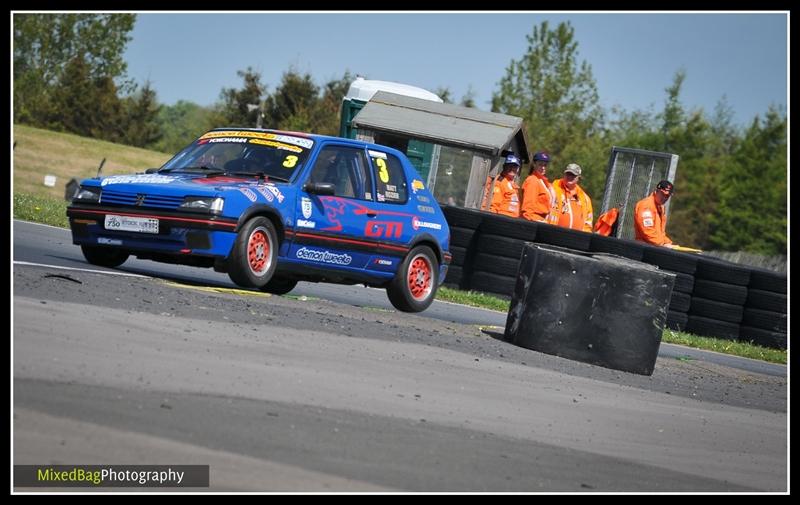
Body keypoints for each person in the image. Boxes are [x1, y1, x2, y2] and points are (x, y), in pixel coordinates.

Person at [551, 163, 594, 232]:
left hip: (575, 239)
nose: (570, 177)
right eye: (568, 174)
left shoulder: (585, 198)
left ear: (578, 178)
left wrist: (584, 237)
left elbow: (588, 222)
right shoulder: (553, 189)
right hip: (553, 233)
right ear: (564, 174)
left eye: (573, 175)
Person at [633, 179, 675, 247]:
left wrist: (668, 243)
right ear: (656, 191)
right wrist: (662, 244)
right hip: (644, 248)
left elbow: (660, 233)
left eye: (667, 196)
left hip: (654, 247)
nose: (664, 198)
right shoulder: (646, 205)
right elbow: (647, 231)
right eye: (662, 194)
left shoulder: (660, 207)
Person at [520, 151, 556, 223]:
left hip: (542, 220)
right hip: (534, 220)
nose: (543, 168)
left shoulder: (543, 181)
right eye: (540, 164)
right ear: (534, 164)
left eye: (545, 165)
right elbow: (527, 209)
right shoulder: (533, 180)